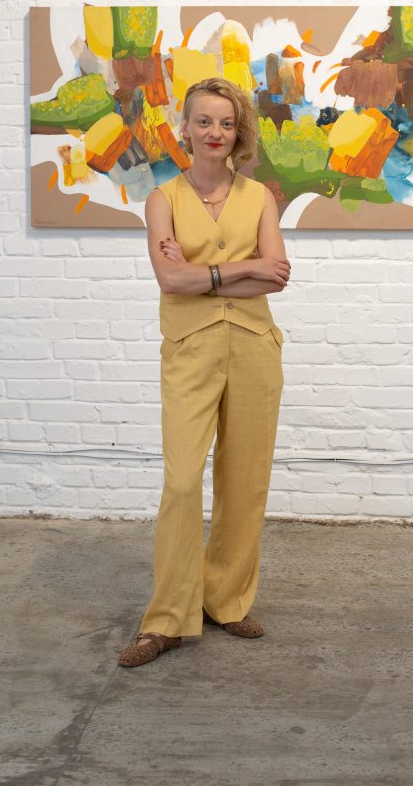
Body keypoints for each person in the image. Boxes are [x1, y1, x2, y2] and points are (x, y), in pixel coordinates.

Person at [118, 76, 291, 668]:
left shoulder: (259, 196)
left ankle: (226, 600)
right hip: (189, 350)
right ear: (185, 128)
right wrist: (242, 269)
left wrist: (205, 274)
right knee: (182, 482)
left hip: (254, 348)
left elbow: (277, 276)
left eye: (227, 123)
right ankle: (166, 620)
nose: (215, 132)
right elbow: (171, 281)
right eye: (204, 121)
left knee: (245, 480)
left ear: (238, 132)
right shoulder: (162, 200)